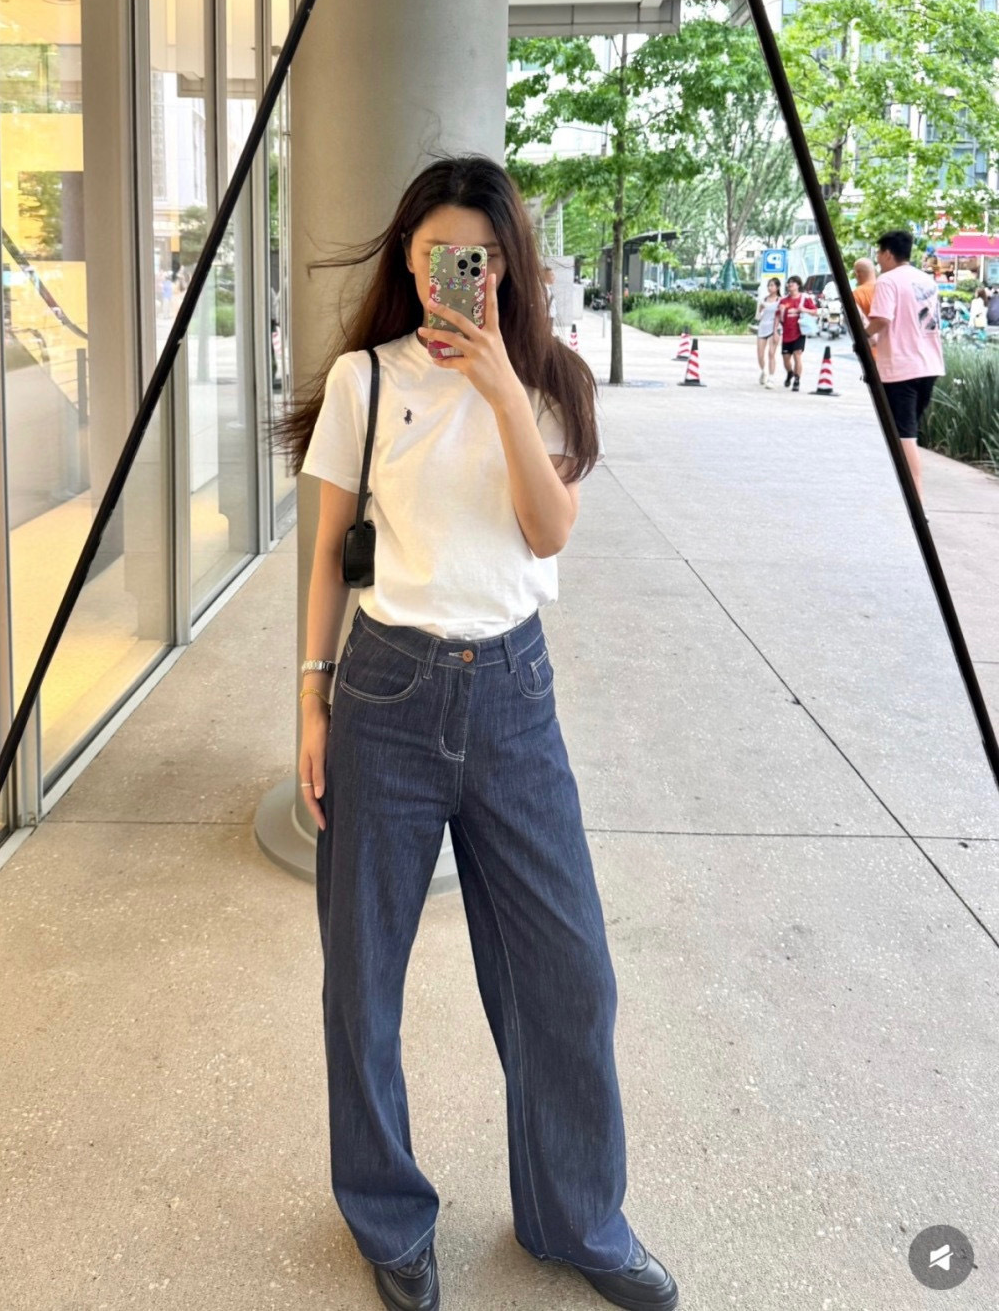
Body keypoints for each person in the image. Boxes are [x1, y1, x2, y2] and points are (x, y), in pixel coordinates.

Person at [276, 155, 679, 1311]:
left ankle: (574, 1216)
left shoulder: (548, 381)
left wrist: (501, 386)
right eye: (441, 255)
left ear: (510, 264)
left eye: (484, 257)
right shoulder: (364, 379)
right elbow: (330, 552)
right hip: (387, 693)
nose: (462, 275)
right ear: (410, 262)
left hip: (513, 694)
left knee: (570, 974)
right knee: (363, 983)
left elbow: (548, 534)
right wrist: (310, 699)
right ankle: (390, 1216)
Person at [863, 228, 945, 503]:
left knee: (904, 435)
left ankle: (916, 501)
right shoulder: (926, 281)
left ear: (888, 253)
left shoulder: (888, 281)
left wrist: (863, 334)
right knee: (907, 432)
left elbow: (881, 319)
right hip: (929, 365)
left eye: (879, 253)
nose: (878, 258)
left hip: (901, 368)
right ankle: (908, 494)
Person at [774, 274, 818, 390]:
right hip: (786, 334)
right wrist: (775, 330)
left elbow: (815, 312)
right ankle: (790, 373)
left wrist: (804, 309)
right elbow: (778, 317)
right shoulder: (783, 300)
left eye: (792, 283)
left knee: (797, 355)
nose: (790, 285)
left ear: (798, 285)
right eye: (788, 283)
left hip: (799, 333)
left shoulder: (805, 298)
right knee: (786, 358)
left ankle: (797, 380)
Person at [754, 276, 781, 386]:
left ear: (777, 287)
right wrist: (760, 310)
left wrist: (777, 331)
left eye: (772, 285)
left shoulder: (780, 301)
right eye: (769, 285)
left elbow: (781, 316)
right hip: (763, 328)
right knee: (760, 354)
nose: (770, 288)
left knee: (771, 353)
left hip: (774, 328)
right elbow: (758, 317)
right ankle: (763, 371)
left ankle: (771, 377)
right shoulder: (763, 300)